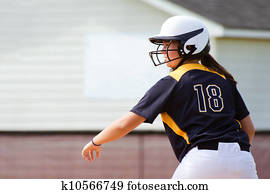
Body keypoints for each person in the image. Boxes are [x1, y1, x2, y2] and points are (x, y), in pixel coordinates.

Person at [82, 16, 258, 178]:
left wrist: (95, 141)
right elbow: (249, 129)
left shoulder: (172, 81)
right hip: (243, 158)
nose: (164, 50)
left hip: (202, 160)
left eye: (169, 44)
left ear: (190, 46)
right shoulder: (223, 79)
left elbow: (124, 124)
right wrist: (234, 156)